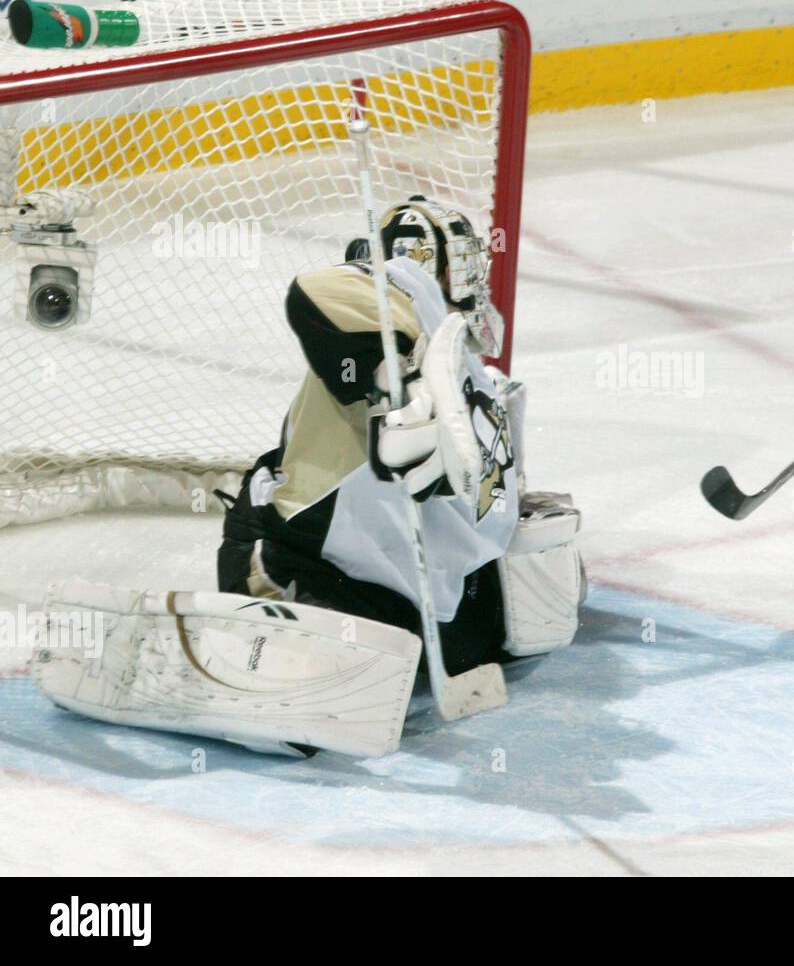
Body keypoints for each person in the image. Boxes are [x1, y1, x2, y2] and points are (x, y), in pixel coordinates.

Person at [35, 198, 584, 758]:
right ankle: (199, 657)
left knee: (521, 600)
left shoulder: (473, 373)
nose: (473, 277)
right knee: (309, 714)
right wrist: (397, 377)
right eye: (461, 262)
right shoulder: (391, 319)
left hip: (417, 588)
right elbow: (319, 291)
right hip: (310, 563)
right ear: (422, 263)